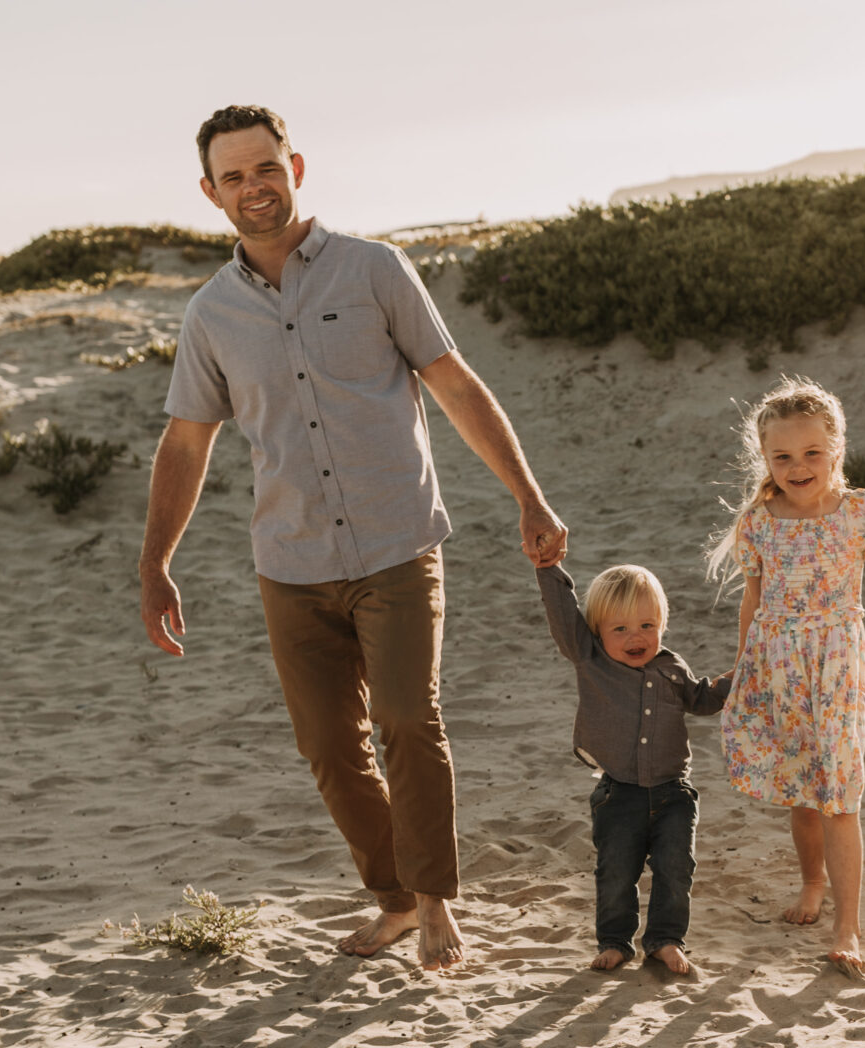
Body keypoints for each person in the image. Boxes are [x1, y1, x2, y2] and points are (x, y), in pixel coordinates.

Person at [134, 103, 567, 974]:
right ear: (210, 192)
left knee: (409, 719)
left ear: (297, 168)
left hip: (398, 545)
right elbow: (186, 442)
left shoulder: (376, 271)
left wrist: (529, 495)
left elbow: (454, 384)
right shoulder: (212, 314)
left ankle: (438, 904)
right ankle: (397, 897)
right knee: (331, 749)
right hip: (290, 564)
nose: (253, 188)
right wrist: (155, 563)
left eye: (266, 168)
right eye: (233, 176)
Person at [709, 378, 865, 976]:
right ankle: (812, 883)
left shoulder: (861, 510)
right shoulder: (760, 520)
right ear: (766, 460)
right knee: (801, 785)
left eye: (811, 453)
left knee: (840, 794)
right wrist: (742, 667)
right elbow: (751, 599)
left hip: (836, 664)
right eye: (782, 456)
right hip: (778, 662)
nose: (797, 467)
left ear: (836, 449)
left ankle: (848, 925)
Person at [531, 562, 730, 976]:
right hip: (618, 793)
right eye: (618, 629)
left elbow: (704, 701)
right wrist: (548, 567)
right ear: (597, 633)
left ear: (662, 624)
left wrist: (739, 677)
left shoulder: (672, 667)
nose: (635, 637)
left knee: (676, 869)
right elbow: (562, 613)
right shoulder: (590, 661)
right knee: (616, 872)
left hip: (675, 792)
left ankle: (665, 939)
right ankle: (616, 942)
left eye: (646, 624)